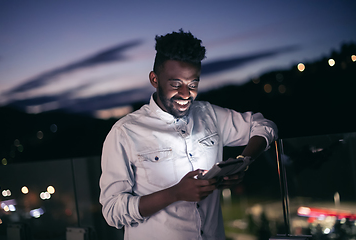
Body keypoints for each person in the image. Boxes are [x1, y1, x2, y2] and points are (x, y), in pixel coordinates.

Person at [99, 29, 278, 240]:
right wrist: (174, 194)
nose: (186, 94)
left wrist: (241, 162)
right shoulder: (124, 132)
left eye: (193, 84)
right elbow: (112, 212)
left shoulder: (209, 114)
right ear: (154, 79)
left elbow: (264, 126)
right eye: (176, 84)